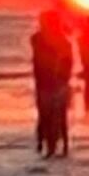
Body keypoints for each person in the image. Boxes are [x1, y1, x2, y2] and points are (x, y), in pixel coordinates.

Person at [31, 10, 74, 157]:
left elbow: (68, 63)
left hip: (55, 84)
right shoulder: (43, 39)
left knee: (55, 116)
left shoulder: (58, 41)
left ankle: (55, 146)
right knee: (48, 116)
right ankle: (47, 144)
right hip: (47, 83)